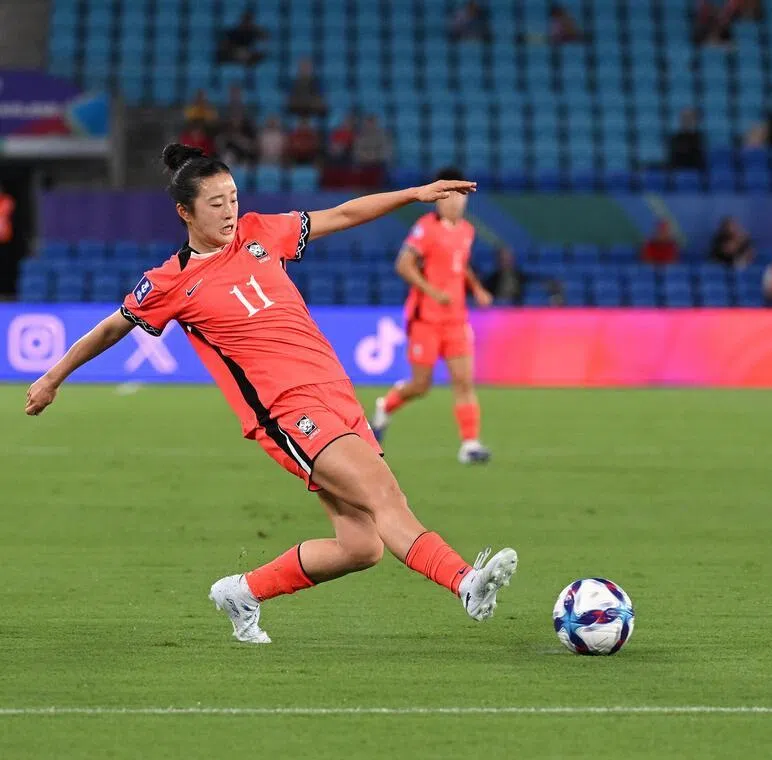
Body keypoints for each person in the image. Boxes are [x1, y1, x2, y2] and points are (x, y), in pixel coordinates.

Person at [24, 145, 517, 644]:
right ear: (185, 212)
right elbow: (113, 327)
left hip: (336, 393)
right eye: (215, 203)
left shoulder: (260, 231)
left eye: (233, 198)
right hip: (287, 411)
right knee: (383, 493)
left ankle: (242, 592)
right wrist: (52, 377)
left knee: (361, 546)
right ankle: (465, 582)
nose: (229, 211)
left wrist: (412, 194)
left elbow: (344, 214)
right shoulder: (170, 281)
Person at [372, 167, 495, 464]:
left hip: (456, 319)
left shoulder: (467, 231)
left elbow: (459, 264)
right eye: (450, 195)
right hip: (426, 319)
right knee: (421, 385)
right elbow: (403, 265)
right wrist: (432, 291)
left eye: (461, 196)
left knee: (464, 382)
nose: (456, 202)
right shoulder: (425, 229)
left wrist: (477, 288)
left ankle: (469, 444)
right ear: (439, 198)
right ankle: (385, 406)